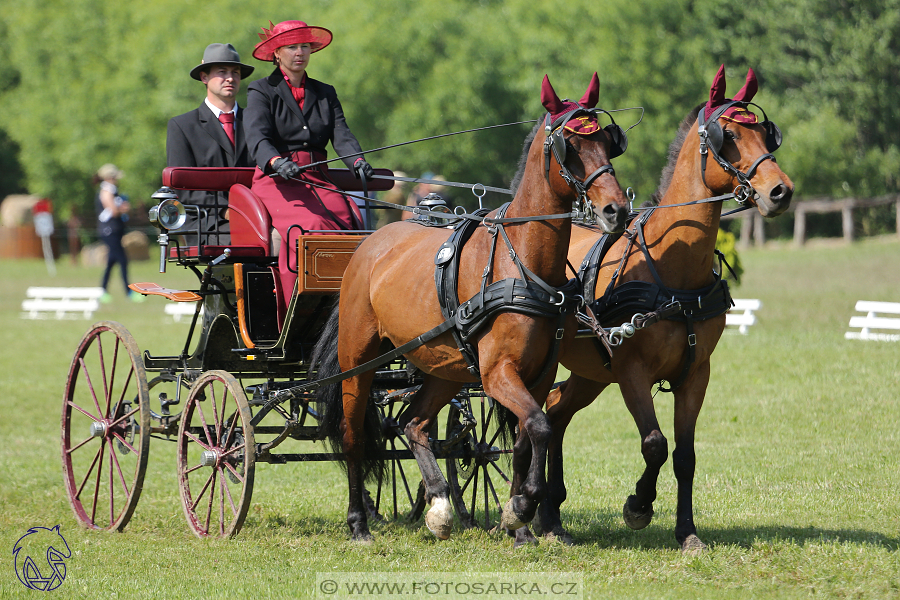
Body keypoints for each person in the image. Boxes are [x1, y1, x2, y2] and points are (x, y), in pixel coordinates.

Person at [244, 20, 375, 311]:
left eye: (305, 46)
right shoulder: (261, 90)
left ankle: (347, 310)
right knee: (309, 227)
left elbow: (342, 135)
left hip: (318, 178)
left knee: (349, 225)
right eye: (292, 47)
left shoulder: (325, 92)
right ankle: (298, 310)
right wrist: (277, 162)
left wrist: (357, 161)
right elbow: (257, 137)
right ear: (277, 53)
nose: (299, 52)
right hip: (276, 180)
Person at [166, 43, 255, 244]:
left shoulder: (256, 123)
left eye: (235, 72)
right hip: (206, 222)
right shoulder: (182, 126)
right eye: (222, 72)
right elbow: (183, 188)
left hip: (257, 217)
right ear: (204, 77)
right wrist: (227, 210)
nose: (230, 78)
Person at [94, 164, 143, 303]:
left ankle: (102, 290)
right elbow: (114, 211)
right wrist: (124, 209)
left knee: (111, 262)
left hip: (115, 230)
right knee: (122, 260)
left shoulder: (113, 190)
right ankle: (128, 292)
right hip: (109, 231)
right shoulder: (106, 191)